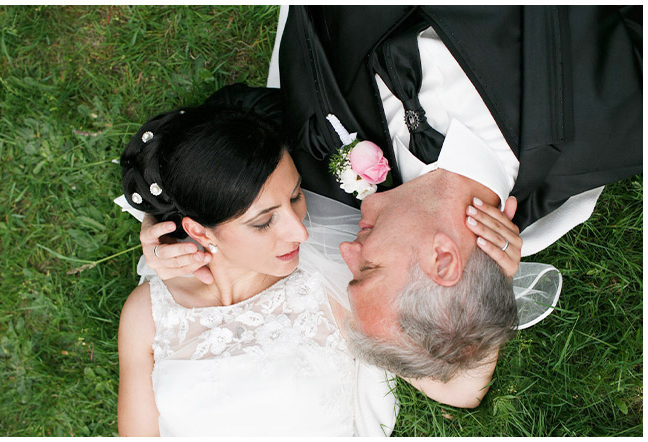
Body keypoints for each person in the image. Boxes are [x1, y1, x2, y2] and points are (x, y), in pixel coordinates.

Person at [140, 5, 641, 395]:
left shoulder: (319, 177)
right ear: (443, 258)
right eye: (369, 270)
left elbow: (223, 124)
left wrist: (164, 222)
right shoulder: (619, 121)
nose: (343, 251)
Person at [116, 84, 524, 436]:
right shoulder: (148, 313)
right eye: (263, 222)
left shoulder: (338, 290)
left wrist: (491, 281)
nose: (301, 231)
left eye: (296, 196)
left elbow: (459, 390)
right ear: (200, 231)